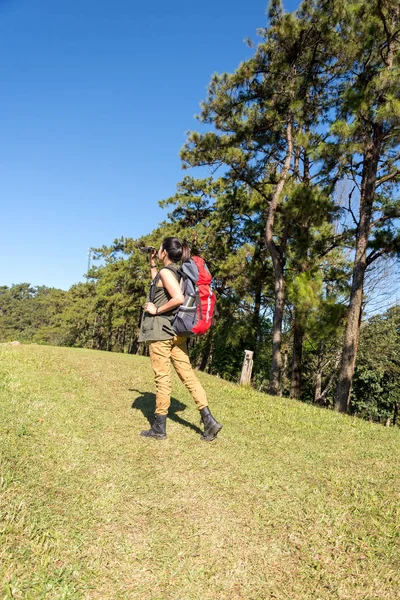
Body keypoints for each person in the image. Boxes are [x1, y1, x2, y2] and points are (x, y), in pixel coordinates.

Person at [138, 237, 222, 442]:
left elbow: (178, 298)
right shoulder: (176, 272)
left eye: (159, 249)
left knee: (162, 378)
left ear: (165, 252)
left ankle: (159, 427)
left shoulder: (168, 273)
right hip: (176, 334)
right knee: (188, 376)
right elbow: (158, 285)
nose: (157, 251)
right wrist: (151, 263)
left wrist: (155, 309)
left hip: (161, 333)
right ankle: (208, 419)